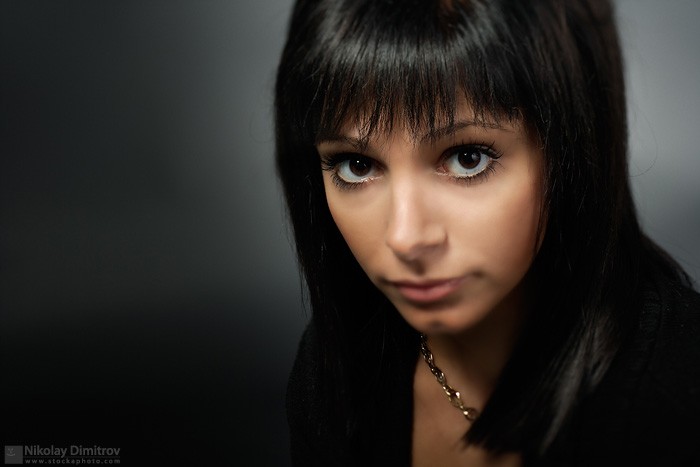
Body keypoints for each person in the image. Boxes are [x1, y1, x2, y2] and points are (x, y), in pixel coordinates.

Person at [274, 0, 700, 465]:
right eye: (356, 165)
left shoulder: (676, 401)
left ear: (570, 150)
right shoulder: (334, 368)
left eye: (467, 158)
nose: (406, 237)